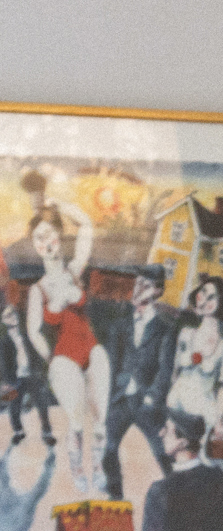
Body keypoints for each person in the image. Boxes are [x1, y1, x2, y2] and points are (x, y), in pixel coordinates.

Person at [18, 173, 107, 494]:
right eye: (38, 239)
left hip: (91, 348)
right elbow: (33, 332)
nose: (45, 243)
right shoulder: (38, 289)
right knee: (77, 421)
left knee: (100, 419)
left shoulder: (73, 270)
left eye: (50, 235)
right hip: (64, 357)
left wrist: (60, 205)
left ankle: (97, 468)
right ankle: (77, 469)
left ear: (59, 236)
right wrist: (51, 359)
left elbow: (86, 227)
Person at [101, 272, 181, 499]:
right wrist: (108, 395)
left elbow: (165, 368)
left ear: (157, 291)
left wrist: (153, 397)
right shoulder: (121, 324)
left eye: (145, 285)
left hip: (147, 400)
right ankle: (115, 497)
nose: (137, 289)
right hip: (121, 398)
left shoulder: (165, 327)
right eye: (136, 284)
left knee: (163, 452)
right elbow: (112, 363)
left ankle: (179, 494)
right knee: (108, 450)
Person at [167, 275, 223, 446]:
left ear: (222, 303)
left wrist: (220, 421)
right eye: (203, 293)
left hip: (204, 415)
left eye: (211, 297)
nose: (204, 300)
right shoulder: (186, 334)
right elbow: (174, 373)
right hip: (175, 407)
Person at [140, 408, 223, 531]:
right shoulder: (220, 479)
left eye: (167, 430)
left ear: (182, 443)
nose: (161, 434)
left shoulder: (160, 491)